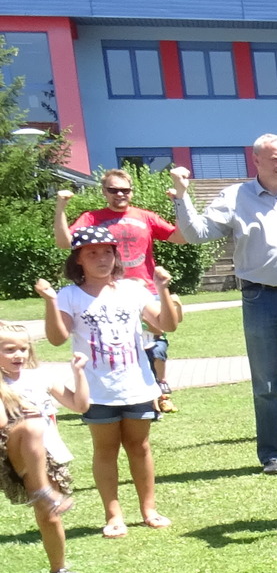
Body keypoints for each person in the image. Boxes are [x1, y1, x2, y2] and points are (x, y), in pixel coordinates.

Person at [170, 136, 277, 475]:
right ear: (256, 160)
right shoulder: (235, 197)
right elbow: (198, 233)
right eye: (275, 159)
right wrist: (182, 196)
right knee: (266, 384)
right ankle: (273, 455)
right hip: (261, 299)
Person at [37, 227, 183, 536]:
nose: (101, 258)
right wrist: (50, 301)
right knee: (105, 450)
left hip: (137, 384)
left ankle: (149, 510)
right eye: (92, 253)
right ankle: (113, 515)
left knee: (140, 447)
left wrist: (162, 289)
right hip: (97, 389)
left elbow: (167, 324)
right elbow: (56, 338)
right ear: (78, 260)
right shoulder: (69, 295)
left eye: (107, 252)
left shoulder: (132, 289)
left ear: (115, 256)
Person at [54, 166, 181, 413]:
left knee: (156, 346)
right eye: (113, 190)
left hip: (143, 290)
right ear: (104, 191)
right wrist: (60, 208)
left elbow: (180, 236)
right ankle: (110, 397)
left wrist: (180, 202)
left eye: (125, 190)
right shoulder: (91, 217)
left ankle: (160, 391)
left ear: (132, 191)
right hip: (103, 291)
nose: (120, 195)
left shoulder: (145, 216)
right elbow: (64, 242)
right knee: (114, 346)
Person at [0, 320, 84, 573]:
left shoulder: (40, 376)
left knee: (49, 516)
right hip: (9, 453)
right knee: (33, 425)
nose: (18, 355)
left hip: (45, 454)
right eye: (9, 349)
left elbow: (80, 405)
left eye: (23, 349)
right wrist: (21, 413)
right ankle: (43, 491)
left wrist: (79, 373)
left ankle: (59, 570)